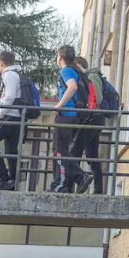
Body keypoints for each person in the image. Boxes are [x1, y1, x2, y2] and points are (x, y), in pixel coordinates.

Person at [50, 46, 89, 193]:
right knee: (62, 151)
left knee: (59, 151)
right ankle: (77, 178)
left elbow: (72, 87)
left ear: (60, 57)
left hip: (65, 114)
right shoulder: (75, 71)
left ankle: (62, 184)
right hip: (74, 116)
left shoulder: (66, 70)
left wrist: (58, 105)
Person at [69, 57, 108, 194]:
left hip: (92, 118)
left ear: (78, 66)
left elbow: (98, 98)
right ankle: (98, 189)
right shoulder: (90, 76)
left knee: (75, 152)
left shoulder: (92, 76)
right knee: (92, 154)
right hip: (95, 119)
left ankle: (73, 184)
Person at [0, 51, 23, 190]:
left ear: (1, 63)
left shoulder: (9, 74)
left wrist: (0, 116)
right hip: (18, 116)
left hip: (9, 115)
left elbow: (9, 97)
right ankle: (13, 182)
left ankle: (6, 179)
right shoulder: (18, 74)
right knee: (11, 150)